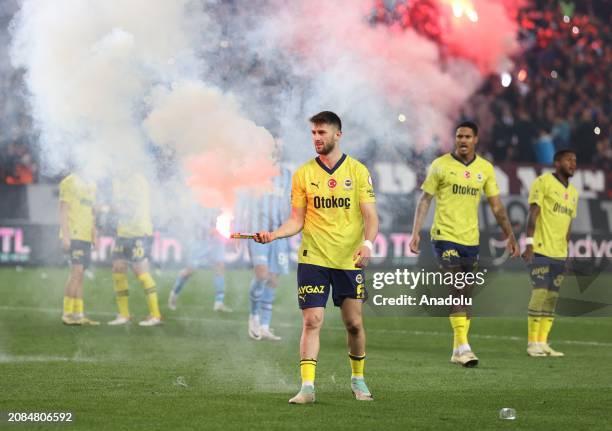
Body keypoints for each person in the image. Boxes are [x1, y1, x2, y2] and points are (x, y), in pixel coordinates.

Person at [255, 111, 379, 404]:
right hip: (313, 258)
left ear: (338, 135)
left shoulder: (358, 172)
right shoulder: (303, 174)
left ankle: (358, 379)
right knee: (312, 320)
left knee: (354, 324)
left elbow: (371, 216)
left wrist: (368, 245)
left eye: (322, 133)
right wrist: (274, 234)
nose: (316, 138)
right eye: (313, 133)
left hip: (349, 260)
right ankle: (307, 387)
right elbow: (296, 220)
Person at [409, 121, 519, 367]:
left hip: (470, 239)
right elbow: (425, 199)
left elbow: (497, 206)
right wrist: (416, 232)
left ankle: (457, 348)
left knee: (467, 294)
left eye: (467, 136)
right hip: (444, 236)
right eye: (459, 136)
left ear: (476, 140)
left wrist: (510, 235)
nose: (463, 140)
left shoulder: (485, 169)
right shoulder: (440, 165)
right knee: (457, 287)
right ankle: (465, 348)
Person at [522, 150, 578, 357]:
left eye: (575, 160)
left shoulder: (573, 193)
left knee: (552, 298)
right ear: (557, 163)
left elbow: (568, 226)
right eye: (568, 160)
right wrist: (529, 244)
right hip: (541, 248)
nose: (572, 163)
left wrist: (567, 252)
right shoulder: (543, 182)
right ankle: (532, 343)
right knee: (540, 293)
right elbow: (533, 214)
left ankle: (543, 342)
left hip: (559, 253)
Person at [236, 167, 292, 341]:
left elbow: (290, 202)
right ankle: (254, 316)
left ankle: (265, 326)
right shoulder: (254, 171)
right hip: (257, 232)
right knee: (262, 274)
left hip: (279, 233)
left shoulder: (287, 175)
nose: (276, 149)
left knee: (273, 279)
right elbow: (241, 202)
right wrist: (237, 227)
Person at [108, 170, 162, 326]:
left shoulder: (138, 181)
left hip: (139, 231)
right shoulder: (116, 181)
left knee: (140, 271)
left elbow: (129, 210)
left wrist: (106, 208)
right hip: (123, 232)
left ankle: (155, 315)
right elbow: (118, 207)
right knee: (118, 269)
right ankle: (124, 314)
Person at [168, 205, 232, 312]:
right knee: (190, 270)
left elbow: (225, 212)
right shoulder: (201, 195)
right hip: (201, 241)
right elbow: (195, 216)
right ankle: (174, 294)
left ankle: (219, 302)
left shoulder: (220, 194)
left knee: (220, 267)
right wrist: (208, 228)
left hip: (217, 240)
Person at [59, 172, 99, 325]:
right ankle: (67, 313)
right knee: (76, 273)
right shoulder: (69, 181)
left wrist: (94, 234)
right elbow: (63, 210)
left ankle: (79, 314)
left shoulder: (92, 184)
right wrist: (66, 236)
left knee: (80, 275)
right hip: (74, 233)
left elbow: (91, 213)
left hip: (85, 235)